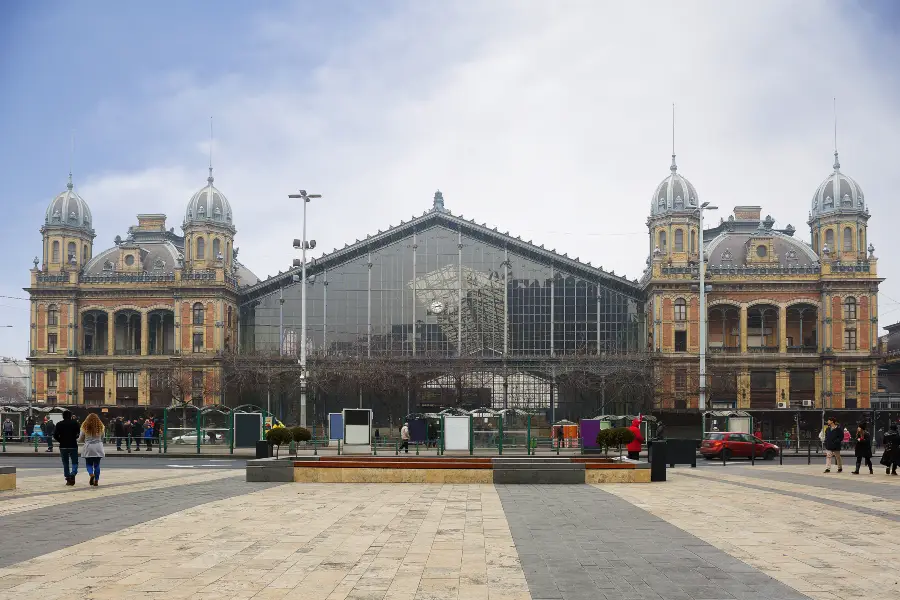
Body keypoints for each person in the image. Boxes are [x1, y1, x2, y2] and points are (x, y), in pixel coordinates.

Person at [53, 410, 80, 485]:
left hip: (63, 446)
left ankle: (68, 477)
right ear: (71, 416)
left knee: (65, 463)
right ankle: (73, 473)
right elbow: (79, 433)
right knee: (74, 462)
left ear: (63, 416)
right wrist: (75, 437)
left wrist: (61, 440)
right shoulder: (75, 423)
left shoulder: (59, 424)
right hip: (73, 445)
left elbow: (55, 435)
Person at [78, 413, 106, 487]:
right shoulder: (101, 427)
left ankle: (91, 474)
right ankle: (96, 480)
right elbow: (103, 437)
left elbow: (80, 439)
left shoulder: (84, 427)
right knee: (97, 465)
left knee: (88, 464)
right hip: (98, 447)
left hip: (88, 447)